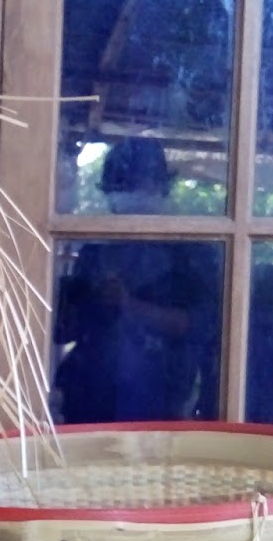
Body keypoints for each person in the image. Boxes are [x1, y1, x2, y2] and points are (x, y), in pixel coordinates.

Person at [52, 137, 219, 423]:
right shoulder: (96, 250)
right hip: (87, 402)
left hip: (160, 406)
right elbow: (62, 330)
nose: (128, 195)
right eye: (118, 186)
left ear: (161, 187)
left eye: (137, 184)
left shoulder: (192, 251)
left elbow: (204, 327)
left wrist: (129, 305)